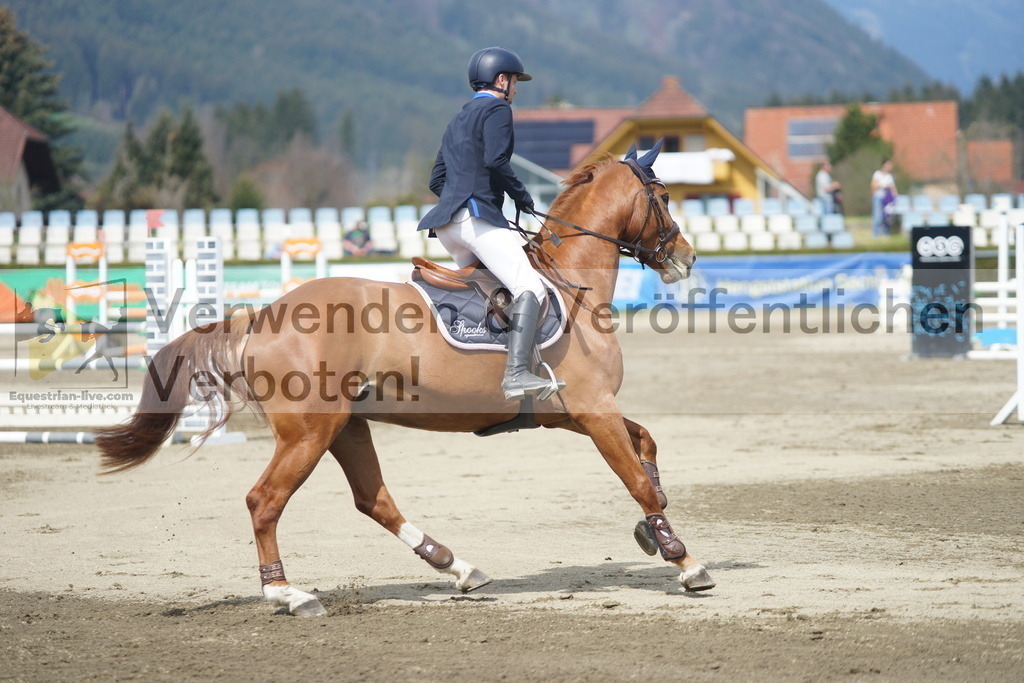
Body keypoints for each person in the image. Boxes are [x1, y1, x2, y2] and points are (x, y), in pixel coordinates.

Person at [418, 46, 560, 402]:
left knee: (493, 289)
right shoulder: (498, 108)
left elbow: (437, 180)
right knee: (531, 288)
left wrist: (461, 194)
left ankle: (483, 365)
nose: (517, 88)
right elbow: (497, 160)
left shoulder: (459, 117)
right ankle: (516, 375)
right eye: (515, 81)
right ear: (501, 79)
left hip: (448, 226)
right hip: (476, 218)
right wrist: (522, 196)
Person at [870, 158, 897, 236]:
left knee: (886, 217)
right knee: (877, 216)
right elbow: (873, 186)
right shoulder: (877, 174)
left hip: (887, 199)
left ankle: (886, 233)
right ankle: (875, 234)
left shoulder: (889, 177)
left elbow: (893, 189)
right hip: (877, 197)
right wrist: (883, 186)